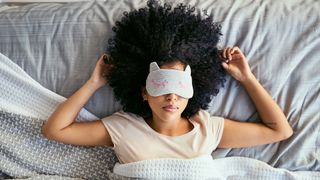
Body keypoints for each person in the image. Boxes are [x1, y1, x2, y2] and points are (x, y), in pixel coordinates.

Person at [41, 0, 293, 164]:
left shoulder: (209, 129)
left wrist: (246, 79)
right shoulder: (122, 127)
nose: (172, 97)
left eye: (180, 88)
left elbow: (280, 130)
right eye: (162, 86)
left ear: (193, 91)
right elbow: (54, 130)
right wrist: (94, 83)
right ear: (144, 92)